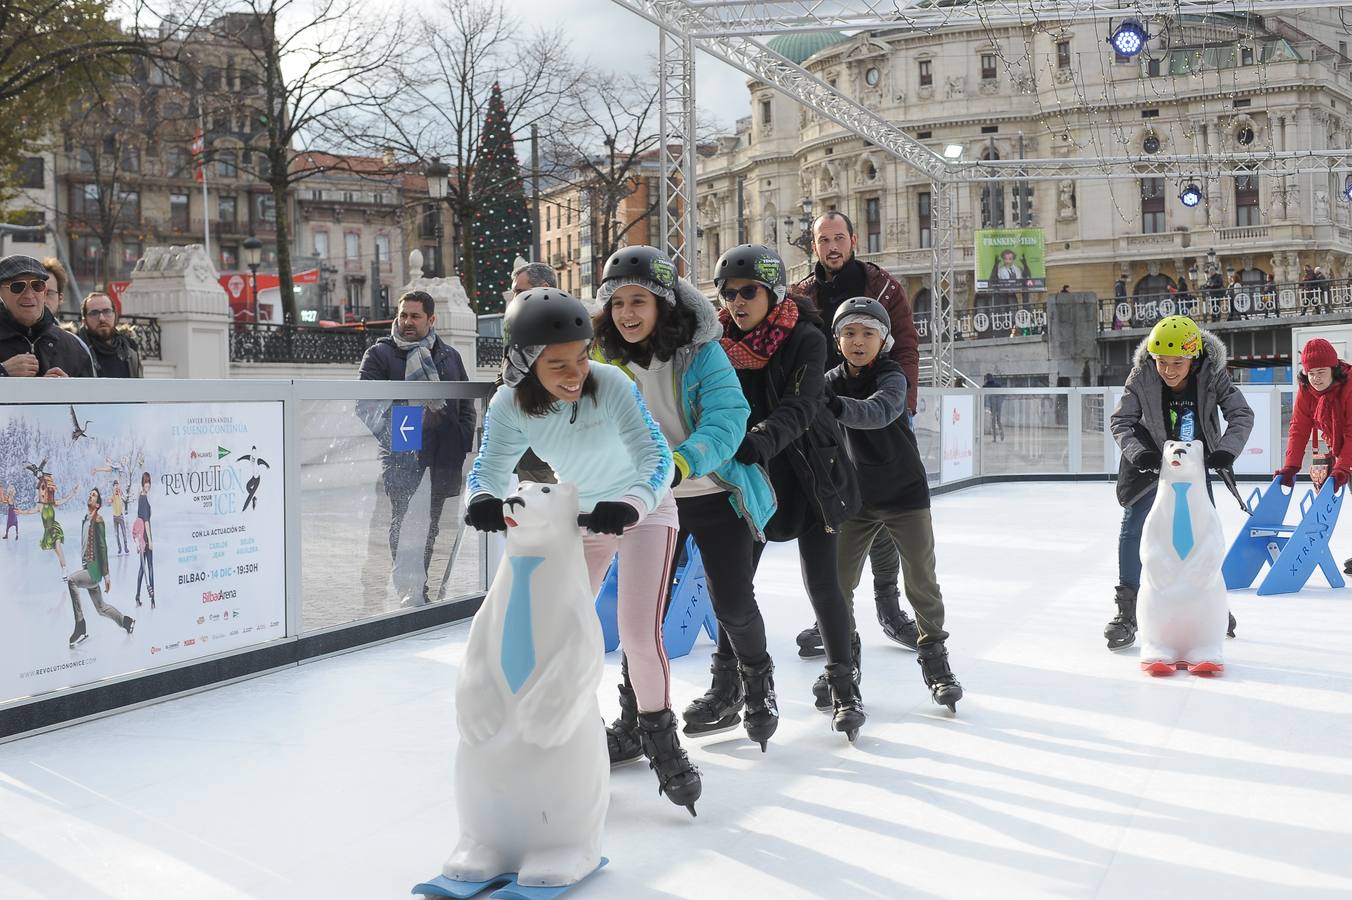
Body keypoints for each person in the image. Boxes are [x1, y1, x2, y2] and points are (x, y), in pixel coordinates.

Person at [464, 286, 702, 814]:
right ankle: (576, 737)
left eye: (581, 357)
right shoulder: (509, 404)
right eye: (558, 364)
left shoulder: (611, 383)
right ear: (524, 362)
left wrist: (633, 505)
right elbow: (489, 464)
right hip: (581, 518)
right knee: (561, 633)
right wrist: (481, 496)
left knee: (639, 635)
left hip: (644, 511)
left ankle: (662, 743)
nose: (576, 373)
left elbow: (655, 457)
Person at [591, 246, 778, 756]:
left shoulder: (701, 351)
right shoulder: (603, 356)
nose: (627, 314)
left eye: (639, 302)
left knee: (733, 603)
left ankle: (758, 686)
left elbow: (728, 416)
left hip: (713, 491)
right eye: (618, 303)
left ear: (663, 305)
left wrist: (680, 462)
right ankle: (636, 719)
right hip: (648, 502)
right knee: (640, 615)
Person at [715, 243, 865, 741]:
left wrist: (758, 440)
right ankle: (729, 683)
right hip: (750, 479)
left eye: (748, 292)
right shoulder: (716, 344)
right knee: (733, 588)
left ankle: (846, 685)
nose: (737, 302)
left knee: (824, 586)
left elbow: (802, 405)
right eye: (728, 293)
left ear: (773, 290)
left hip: (808, 475)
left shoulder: (806, 337)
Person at [825, 297, 963, 711]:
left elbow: (878, 413)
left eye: (868, 333)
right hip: (856, 500)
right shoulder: (829, 381)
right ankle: (843, 666)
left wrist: (832, 405)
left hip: (904, 494)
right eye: (849, 332)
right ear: (837, 340)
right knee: (836, 586)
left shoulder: (892, 376)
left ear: (883, 340)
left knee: (921, 580)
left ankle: (936, 663)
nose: (858, 340)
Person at [792, 211, 920, 655]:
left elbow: (904, 346)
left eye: (839, 238)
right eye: (823, 239)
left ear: (853, 240)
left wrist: (897, 403)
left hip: (879, 409)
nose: (832, 246)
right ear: (814, 246)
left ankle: (888, 604)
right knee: (832, 512)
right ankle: (831, 615)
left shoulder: (883, 287)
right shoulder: (802, 294)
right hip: (824, 413)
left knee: (882, 510)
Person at [1107, 315, 1252, 650]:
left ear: (1193, 357)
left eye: (1177, 363)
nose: (1168, 371)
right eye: (1161, 362)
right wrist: (1139, 453)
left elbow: (1241, 414)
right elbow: (1121, 420)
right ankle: (1126, 612)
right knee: (1135, 528)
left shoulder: (1212, 374)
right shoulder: (1142, 374)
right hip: (1149, 464)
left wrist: (1225, 451)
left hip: (1195, 465)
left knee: (1205, 531)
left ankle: (1211, 604)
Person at [358, 290, 476, 606]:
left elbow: (466, 403)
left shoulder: (449, 356)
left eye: (415, 316)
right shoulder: (380, 355)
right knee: (403, 521)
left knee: (433, 524)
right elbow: (366, 406)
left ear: (431, 319)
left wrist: (462, 437)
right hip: (402, 454)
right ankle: (408, 588)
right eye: (403, 315)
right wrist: (402, 431)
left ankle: (421, 586)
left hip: (442, 452)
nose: (407, 322)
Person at [1273, 339, 1352, 573]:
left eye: (1321, 372)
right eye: (1310, 373)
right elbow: (1299, 427)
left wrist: (1343, 467)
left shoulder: (1349, 387)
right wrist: (1291, 466)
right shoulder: (1307, 390)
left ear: (1333, 369)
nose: (1315, 378)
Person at [506, 261, 559, 485]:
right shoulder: (522, 323)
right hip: (526, 444)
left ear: (544, 287)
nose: (515, 297)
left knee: (548, 513)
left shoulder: (559, 323)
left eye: (520, 291)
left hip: (547, 446)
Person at [0, 255, 94, 377]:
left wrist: (69, 391)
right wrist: (3, 371)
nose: (29, 295)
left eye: (37, 286)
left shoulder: (74, 346)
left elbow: (91, 394)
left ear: (44, 293)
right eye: (18, 286)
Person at [66, 488, 134, 648]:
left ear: (98, 504)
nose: (90, 495)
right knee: (101, 608)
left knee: (71, 581)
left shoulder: (98, 520)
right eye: (90, 493)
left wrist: (107, 576)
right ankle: (126, 621)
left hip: (94, 572)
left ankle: (80, 625)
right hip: (88, 568)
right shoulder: (85, 519)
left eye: (94, 495)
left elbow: (102, 547)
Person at [77, 292, 143, 378]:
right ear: (84, 321)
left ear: (115, 315)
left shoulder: (130, 347)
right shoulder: (76, 349)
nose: (102, 318)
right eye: (94, 313)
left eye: (107, 311)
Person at [134, 471, 155, 607]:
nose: (147, 484)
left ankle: (137, 597)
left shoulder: (141, 497)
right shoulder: (143, 498)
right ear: (143, 483)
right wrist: (150, 541)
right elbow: (146, 521)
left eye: (148, 482)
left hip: (141, 538)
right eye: (145, 482)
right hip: (146, 537)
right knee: (150, 567)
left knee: (143, 568)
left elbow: (138, 521)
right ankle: (153, 599)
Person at [983, 372, 1005, 442]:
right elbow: (1003, 395)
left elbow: (984, 396)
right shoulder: (998, 385)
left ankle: (995, 438)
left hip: (992, 405)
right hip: (998, 405)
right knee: (998, 420)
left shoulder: (985, 386)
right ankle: (1002, 434)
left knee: (993, 421)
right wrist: (1001, 402)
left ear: (986, 379)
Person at [110, 479, 129, 554]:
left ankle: (126, 547)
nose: (116, 487)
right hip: (115, 517)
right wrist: (113, 495)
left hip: (120, 516)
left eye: (117, 485)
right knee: (116, 534)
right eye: (115, 485)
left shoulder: (120, 493)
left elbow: (121, 491)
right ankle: (119, 548)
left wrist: (118, 485)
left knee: (124, 532)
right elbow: (110, 500)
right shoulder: (113, 495)